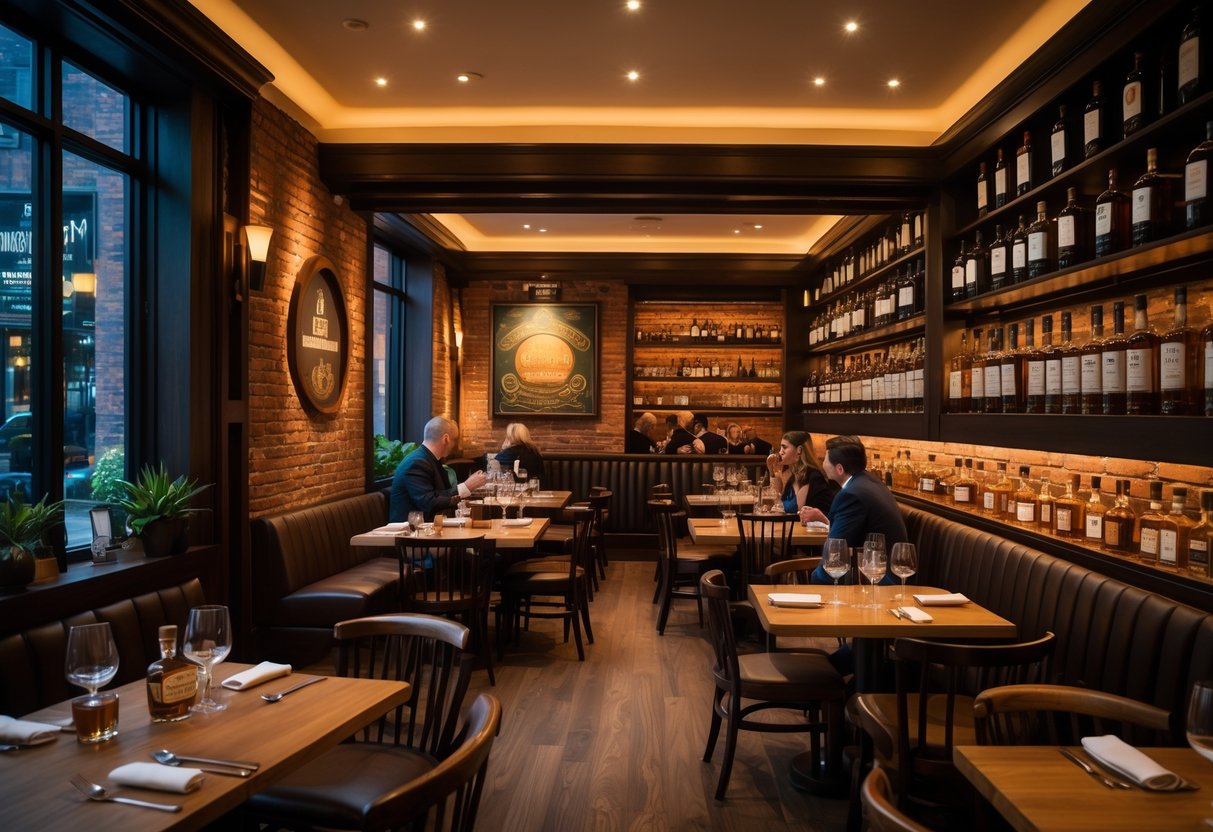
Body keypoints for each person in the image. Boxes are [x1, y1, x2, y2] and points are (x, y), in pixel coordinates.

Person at [800, 434, 906, 585]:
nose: (822, 462)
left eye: (825, 458)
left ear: (839, 469)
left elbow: (834, 553)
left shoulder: (851, 495)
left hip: (880, 582)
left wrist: (814, 584)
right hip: (880, 573)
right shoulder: (870, 482)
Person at [390, 416, 487, 521]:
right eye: (454, 440)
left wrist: (467, 487)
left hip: (430, 525)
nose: (454, 445)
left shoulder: (430, 459)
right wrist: (466, 486)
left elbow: (441, 492)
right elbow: (429, 502)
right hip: (412, 531)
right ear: (446, 439)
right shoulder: (417, 462)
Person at [766, 430, 837, 514]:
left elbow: (798, 512)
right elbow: (777, 500)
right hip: (795, 526)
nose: (780, 452)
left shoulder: (812, 476)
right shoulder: (793, 477)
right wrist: (771, 470)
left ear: (799, 450)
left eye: (784, 447)